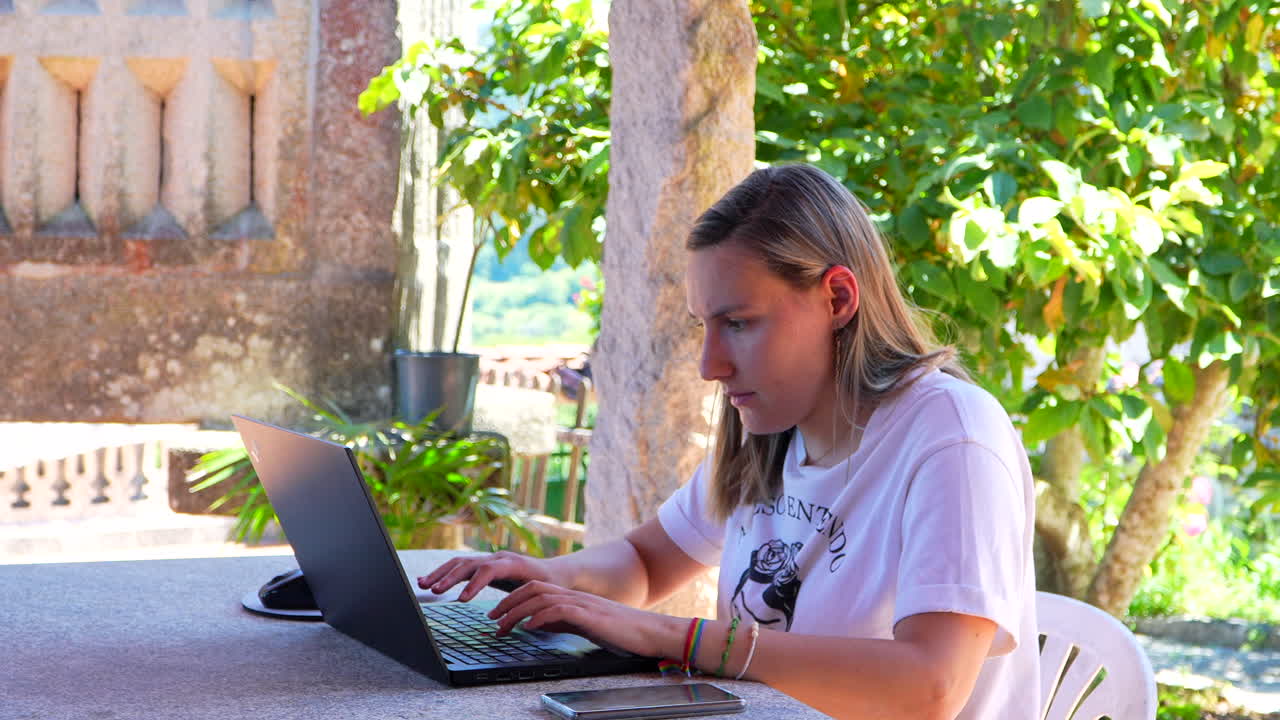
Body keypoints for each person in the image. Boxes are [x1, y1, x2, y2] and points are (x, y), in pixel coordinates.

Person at [419, 164, 1040, 719]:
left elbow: (929, 689)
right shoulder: (772, 426)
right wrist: (546, 579)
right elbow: (645, 562)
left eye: (739, 324)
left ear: (839, 299)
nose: (711, 365)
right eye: (705, 327)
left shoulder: (951, 437)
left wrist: (677, 639)